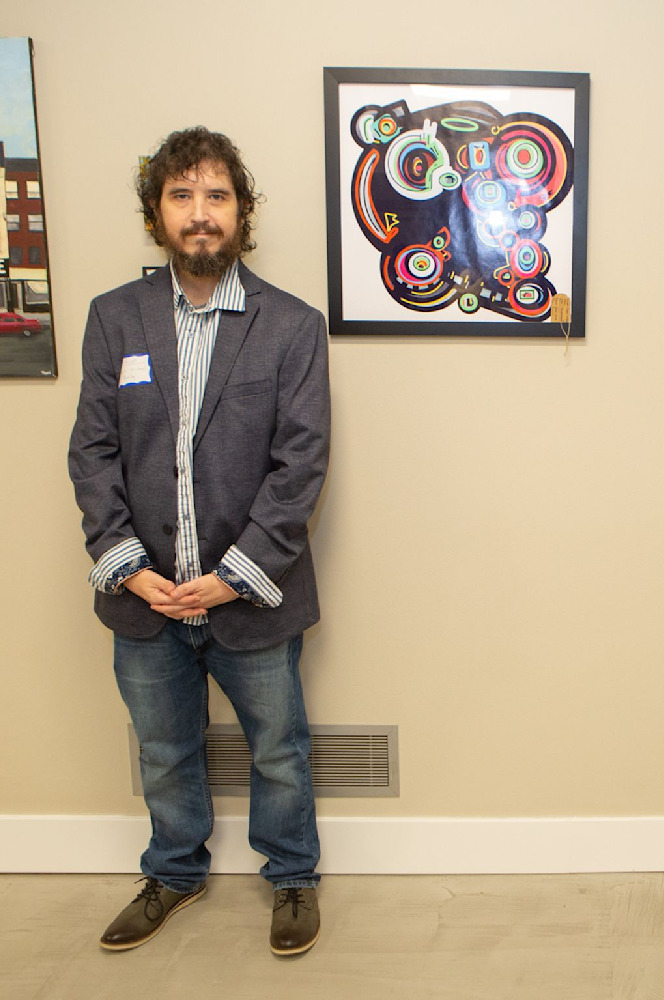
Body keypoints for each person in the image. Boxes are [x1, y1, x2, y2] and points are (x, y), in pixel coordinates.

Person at [68, 126, 330, 956]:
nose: (200, 213)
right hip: (145, 599)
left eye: (217, 195)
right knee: (164, 751)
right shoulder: (114, 318)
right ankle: (173, 873)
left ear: (241, 212)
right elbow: (92, 452)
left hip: (249, 596)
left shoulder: (291, 325)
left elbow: (300, 463)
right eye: (181, 196)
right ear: (157, 213)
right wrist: (127, 568)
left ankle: (292, 876)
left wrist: (233, 576)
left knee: (278, 751)